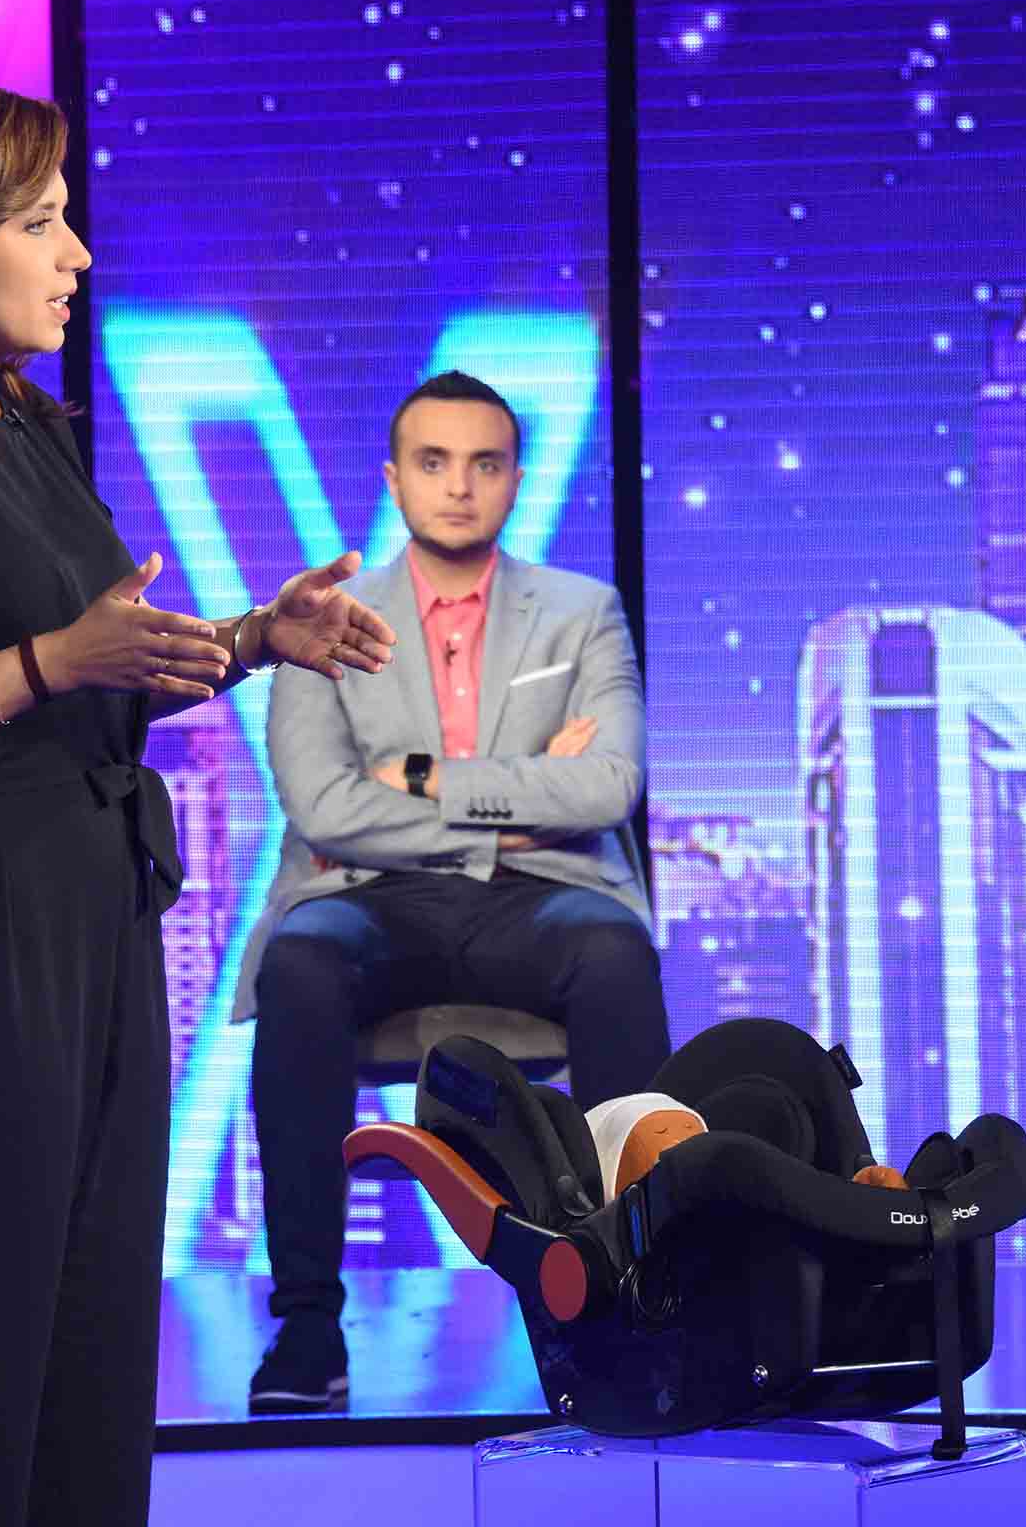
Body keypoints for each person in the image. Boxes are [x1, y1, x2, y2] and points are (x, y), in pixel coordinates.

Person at [0, 75, 396, 1525]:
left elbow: (98, 667)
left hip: (95, 910)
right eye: (40, 223)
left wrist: (253, 638)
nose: (78, 255)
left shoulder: (35, 432)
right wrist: (54, 659)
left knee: (93, 1349)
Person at [232, 370, 672, 1413]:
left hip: (543, 890)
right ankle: (306, 1327)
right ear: (394, 479)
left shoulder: (582, 612)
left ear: (515, 478)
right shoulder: (321, 621)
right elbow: (324, 808)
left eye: (484, 463)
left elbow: (608, 784)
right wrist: (518, 802)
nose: (459, 486)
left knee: (614, 953)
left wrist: (428, 778)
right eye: (434, 462)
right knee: (298, 964)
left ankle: (631, 1311)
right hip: (369, 897)